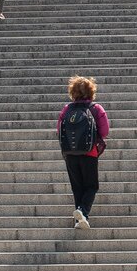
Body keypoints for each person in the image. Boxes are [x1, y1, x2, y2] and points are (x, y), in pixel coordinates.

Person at [58, 75, 110, 230]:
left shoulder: (67, 109)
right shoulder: (96, 109)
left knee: (77, 187)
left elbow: (59, 129)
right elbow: (105, 131)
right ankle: (82, 212)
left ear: (73, 92)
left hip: (70, 154)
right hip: (90, 153)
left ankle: (80, 220)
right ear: (91, 91)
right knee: (91, 186)